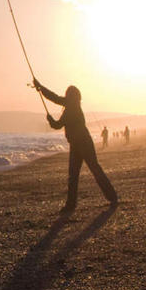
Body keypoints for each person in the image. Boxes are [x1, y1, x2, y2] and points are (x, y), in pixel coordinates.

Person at [33, 79, 118, 213]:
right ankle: (110, 198)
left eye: (68, 94)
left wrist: (41, 88)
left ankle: (75, 204)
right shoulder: (73, 107)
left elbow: (56, 115)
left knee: (83, 172)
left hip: (82, 143)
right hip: (79, 143)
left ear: (71, 96)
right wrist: (41, 89)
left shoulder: (71, 107)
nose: (66, 96)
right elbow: (57, 120)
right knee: (83, 172)